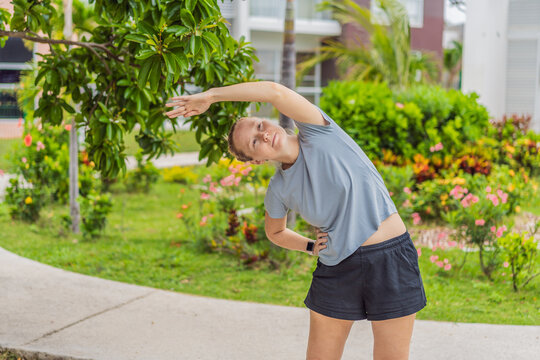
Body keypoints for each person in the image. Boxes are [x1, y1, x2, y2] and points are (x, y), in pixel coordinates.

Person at [165, 81, 427, 360]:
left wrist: (211, 96)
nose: (264, 136)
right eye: (254, 142)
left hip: (390, 258)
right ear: (254, 161)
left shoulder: (318, 131)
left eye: (259, 126)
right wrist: (310, 246)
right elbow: (275, 232)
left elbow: (275, 92)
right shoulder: (278, 189)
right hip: (337, 268)